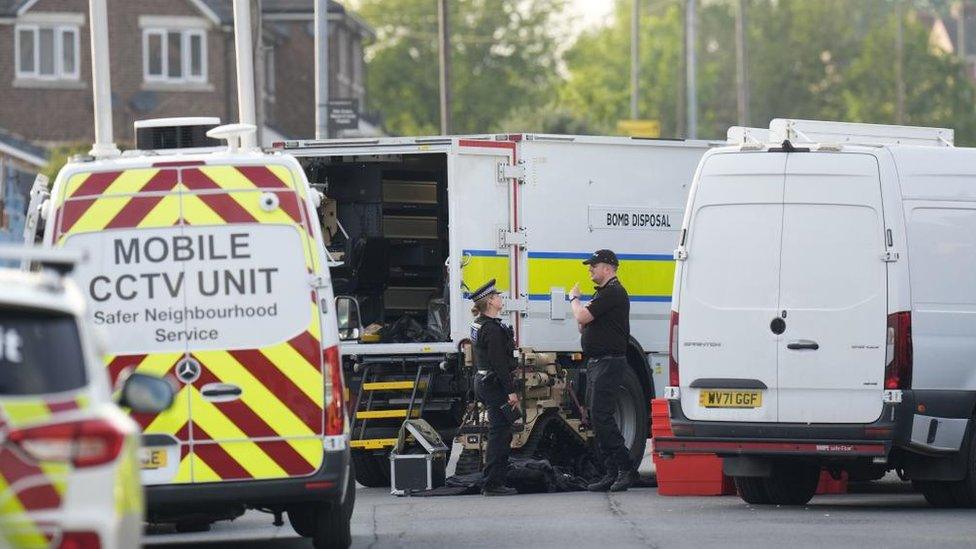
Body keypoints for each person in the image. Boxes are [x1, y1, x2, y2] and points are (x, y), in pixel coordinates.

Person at [569, 249, 636, 492]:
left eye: (593, 266)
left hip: (609, 363)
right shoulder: (604, 294)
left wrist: (573, 299)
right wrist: (582, 316)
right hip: (598, 362)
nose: (590, 270)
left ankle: (625, 467)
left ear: (607, 268)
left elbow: (582, 316)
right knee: (595, 418)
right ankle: (610, 471)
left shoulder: (613, 292)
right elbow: (582, 324)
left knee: (602, 417)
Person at [469, 278, 520, 496]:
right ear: (490, 301)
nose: (501, 298)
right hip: (495, 384)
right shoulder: (491, 329)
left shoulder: (479, 324)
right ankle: (493, 483)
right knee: (500, 433)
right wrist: (511, 392)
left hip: (483, 381)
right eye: (497, 296)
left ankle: (494, 477)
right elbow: (499, 363)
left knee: (499, 431)